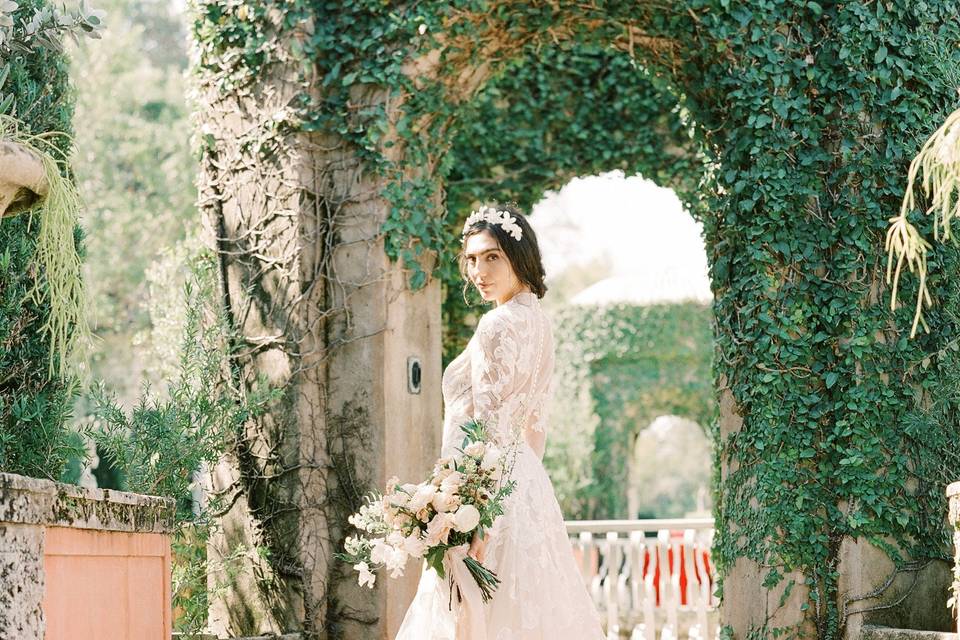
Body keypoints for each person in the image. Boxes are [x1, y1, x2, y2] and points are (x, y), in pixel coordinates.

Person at [395, 204, 605, 640]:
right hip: (525, 485)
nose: (478, 270)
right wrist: (523, 491)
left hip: (483, 498)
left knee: (471, 618)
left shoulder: (495, 325)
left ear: (518, 255)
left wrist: (475, 516)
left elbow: (484, 432)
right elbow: (534, 430)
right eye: (472, 259)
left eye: (492, 256)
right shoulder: (541, 324)